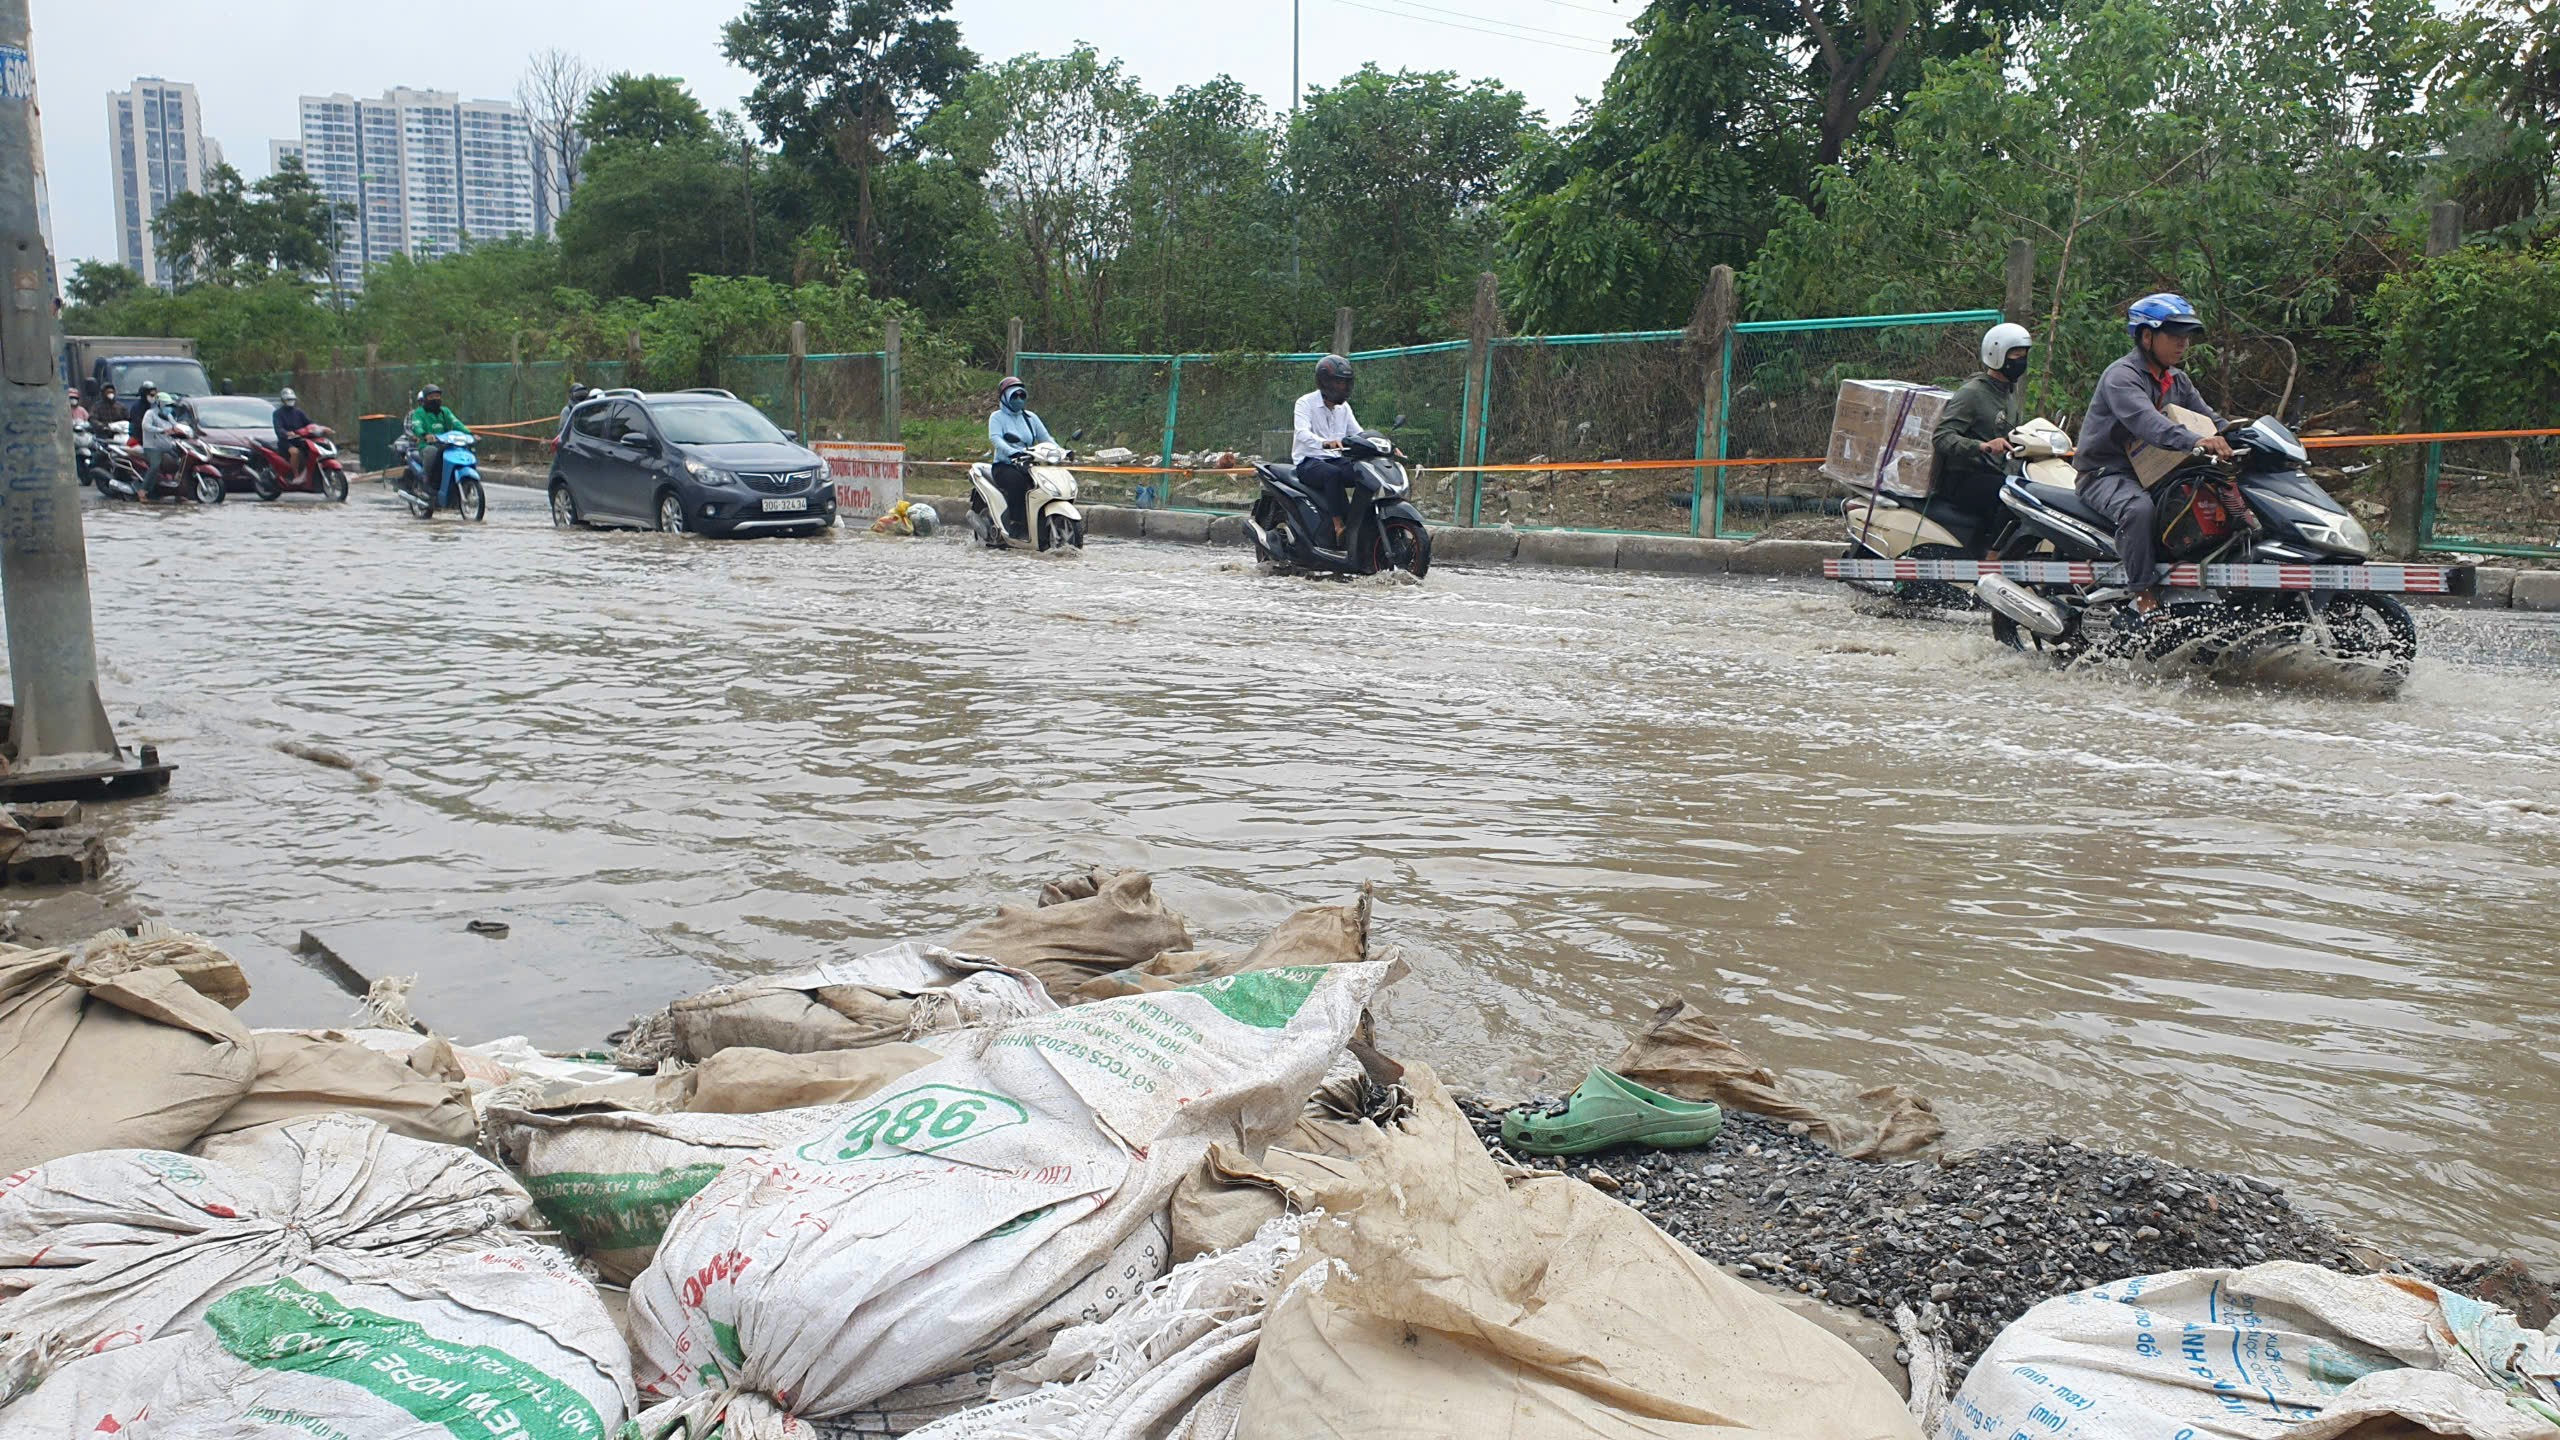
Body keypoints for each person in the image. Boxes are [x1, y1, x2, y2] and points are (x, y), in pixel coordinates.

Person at [2074, 293, 2230, 615]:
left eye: (2186, 337)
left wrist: (2242, 435)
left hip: (2155, 474)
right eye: (2174, 336)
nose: (2183, 344)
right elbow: (2149, 423)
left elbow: (2211, 419)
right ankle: (2144, 595)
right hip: (2106, 474)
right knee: (2139, 510)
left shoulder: (2178, 381)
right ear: (2146, 336)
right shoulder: (2121, 377)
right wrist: (2198, 441)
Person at [1929, 323, 2032, 534]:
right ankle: (1993, 558)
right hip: (1965, 477)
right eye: (2015, 355)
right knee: (2014, 496)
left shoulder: (2007, 392)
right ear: (1997, 354)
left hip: (1995, 471)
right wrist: (1982, 446)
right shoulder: (1972, 393)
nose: (2021, 361)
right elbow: (1942, 437)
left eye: (2024, 355)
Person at [1291, 354, 1362, 541]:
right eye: (1339, 383)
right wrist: (1324, 442)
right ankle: (1338, 525)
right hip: (1308, 461)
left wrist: (1384, 445)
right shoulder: (1305, 403)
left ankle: (1359, 520)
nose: (1343, 388)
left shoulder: (1344, 408)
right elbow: (1302, 433)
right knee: (1332, 474)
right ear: (1325, 382)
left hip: (1335, 459)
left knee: (1361, 472)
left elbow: (1358, 433)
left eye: (1346, 383)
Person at [986, 376, 1054, 538]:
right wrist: (1012, 452)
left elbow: (1046, 438)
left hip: (1029, 465)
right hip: (1005, 466)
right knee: (1018, 483)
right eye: (1014, 396)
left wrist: (1060, 452)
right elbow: (995, 439)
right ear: (1004, 397)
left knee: (1045, 485)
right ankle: (1016, 524)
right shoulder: (996, 417)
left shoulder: (1030, 418)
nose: (1018, 399)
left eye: (1021, 396)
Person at [406, 383, 469, 496]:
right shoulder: (419, 413)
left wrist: (470, 434)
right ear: (425, 399)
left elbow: (456, 423)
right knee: (432, 452)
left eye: (437, 396)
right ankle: (427, 481)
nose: (435, 399)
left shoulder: (445, 412)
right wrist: (425, 435)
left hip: (446, 444)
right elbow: (417, 426)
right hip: (426, 445)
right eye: (431, 397)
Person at [138, 388, 183, 485]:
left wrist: (181, 429)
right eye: (167, 405)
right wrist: (161, 430)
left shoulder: (168, 415)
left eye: (170, 405)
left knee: (181, 461)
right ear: (159, 403)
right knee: (155, 466)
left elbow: (175, 425)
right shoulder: (150, 413)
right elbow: (145, 426)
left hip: (167, 446)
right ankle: (143, 490)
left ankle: (179, 490)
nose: (169, 407)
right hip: (152, 447)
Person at [272, 386, 314, 476]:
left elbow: (309, 423)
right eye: (288, 399)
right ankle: (295, 474)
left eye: (292, 399)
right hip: (286, 442)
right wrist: (286, 433)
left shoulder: (299, 412)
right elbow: (278, 429)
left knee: (312, 450)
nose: (290, 401)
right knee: (295, 452)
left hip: (300, 439)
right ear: (283, 400)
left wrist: (318, 429)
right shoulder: (278, 414)